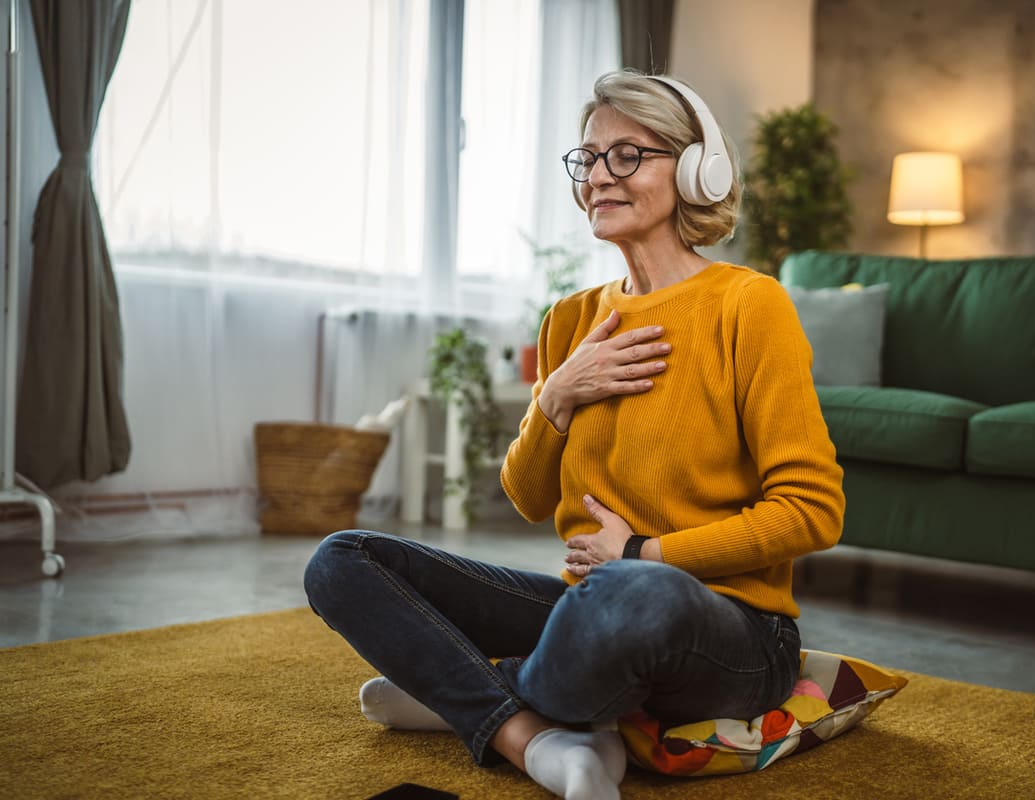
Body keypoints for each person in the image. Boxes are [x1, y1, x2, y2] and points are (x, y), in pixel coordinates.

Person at [304, 70, 845, 800]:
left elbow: (814, 511)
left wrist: (643, 553)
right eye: (588, 158)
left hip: (730, 631)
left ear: (695, 171)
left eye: (628, 155)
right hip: (585, 609)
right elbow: (527, 498)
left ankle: (468, 695)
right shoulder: (570, 320)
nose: (598, 176)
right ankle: (534, 735)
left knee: (639, 591)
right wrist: (557, 394)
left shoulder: (749, 305)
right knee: (342, 560)